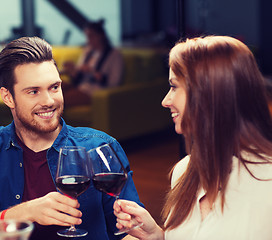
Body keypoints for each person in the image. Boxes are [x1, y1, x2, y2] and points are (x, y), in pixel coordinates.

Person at [0, 36, 142, 240]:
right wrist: (25, 212)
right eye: (34, 91)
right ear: (8, 97)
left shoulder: (99, 147)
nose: (49, 101)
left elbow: (132, 232)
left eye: (54, 87)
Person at [113, 35, 272, 240]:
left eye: (174, 86)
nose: (165, 101)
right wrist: (159, 236)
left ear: (208, 93)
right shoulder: (184, 171)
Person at [62, 19, 124, 107]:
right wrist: (72, 70)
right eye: (87, 36)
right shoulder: (88, 52)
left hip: (93, 91)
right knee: (54, 88)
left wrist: (92, 72)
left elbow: (114, 83)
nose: (88, 40)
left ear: (101, 36)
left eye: (91, 36)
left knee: (59, 99)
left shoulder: (114, 55)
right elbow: (78, 76)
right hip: (80, 86)